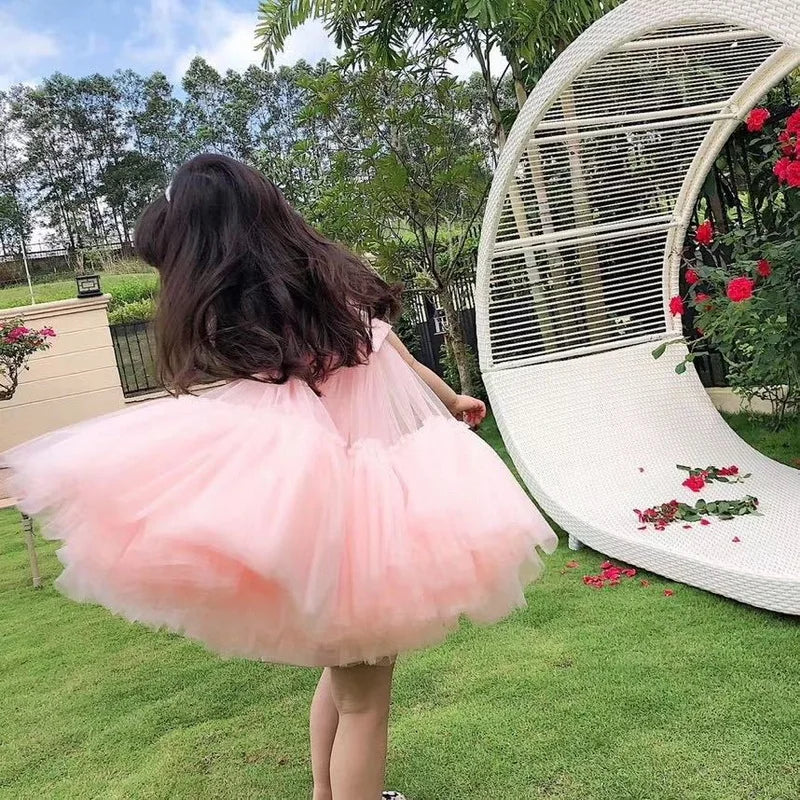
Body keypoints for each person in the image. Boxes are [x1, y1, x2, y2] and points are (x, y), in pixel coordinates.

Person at [4, 154, 557, 800]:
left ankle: (326, 793)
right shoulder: (329, 286)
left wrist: (450, 400)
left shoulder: (242, 316)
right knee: (366, 703)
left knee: (344, 674)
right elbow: (391, 350)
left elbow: (388, 351)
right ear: (269, 208)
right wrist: (448, 397)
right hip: (366, 518)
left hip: (319, 515)